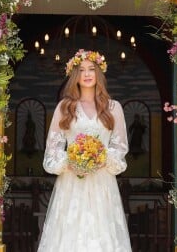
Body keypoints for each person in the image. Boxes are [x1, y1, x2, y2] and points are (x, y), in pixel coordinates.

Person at [37, 49, 132, 252]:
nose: (87, 74)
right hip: (71, 185)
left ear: (99, 73)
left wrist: (100, 156)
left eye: (91, 69)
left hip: (102, 185)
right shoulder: (65, 107)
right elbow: (52, 152)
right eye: (81, 70)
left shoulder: (113, 108)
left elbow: (120, 148)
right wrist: (72, 159)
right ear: (75, 76)